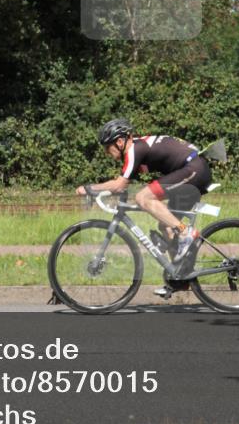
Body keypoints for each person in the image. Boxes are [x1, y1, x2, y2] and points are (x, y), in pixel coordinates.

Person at [76, 118, 212, 297]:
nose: (106, 152)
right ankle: (180, 278)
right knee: (165, 225)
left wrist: (88, 189)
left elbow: (119, 185)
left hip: (194, 169)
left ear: (119, 141)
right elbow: (123, 184)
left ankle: (187, 233)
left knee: (142, 198)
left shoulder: (134, 150)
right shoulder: (137, 150)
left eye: (107, 147)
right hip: (193, 169)